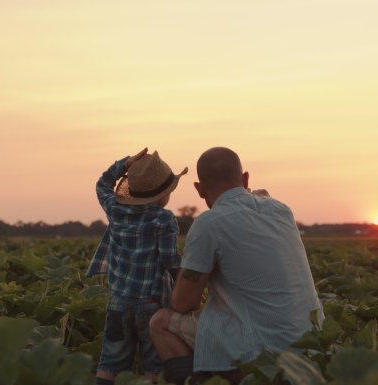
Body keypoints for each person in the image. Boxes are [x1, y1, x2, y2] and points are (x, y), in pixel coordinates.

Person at [149, 147, 324, 384]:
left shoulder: (209, 223)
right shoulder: (282, 210)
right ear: (245, 179)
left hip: (264, 357)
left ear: (199, 189)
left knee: (160, 322)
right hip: (311, 350)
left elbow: (183, 303)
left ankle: (198, 380)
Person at [87, 148, 188, 385]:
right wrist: (186, 284)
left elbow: (102, 184)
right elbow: (170, 260)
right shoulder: (163, 219)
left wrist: (125, 164)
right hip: (152, 302)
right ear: (164, 194)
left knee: (110, 362)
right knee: (153, 363)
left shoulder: (116, 210)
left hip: (118, 300)